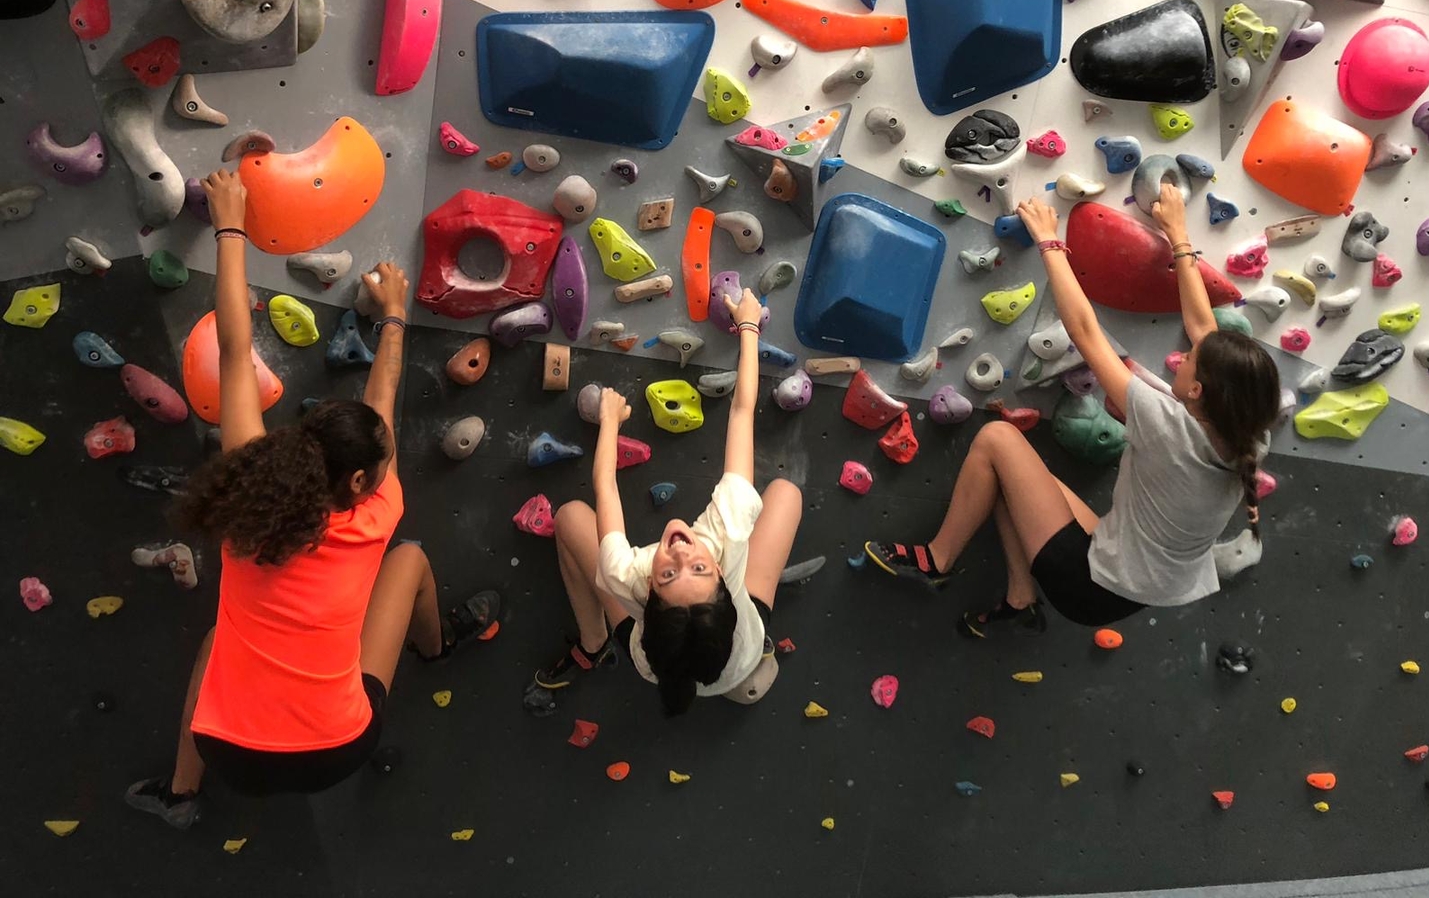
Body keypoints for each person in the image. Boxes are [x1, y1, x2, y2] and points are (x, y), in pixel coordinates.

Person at [126, 168, 499, 829]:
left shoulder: (250, 492)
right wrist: (393, 316)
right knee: (410, 562)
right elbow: (382, 402)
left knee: (217, 640)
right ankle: (437, 648)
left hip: (229, 754)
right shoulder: (378, 512)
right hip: (337, 751)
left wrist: (230, 225)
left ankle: (181, 794)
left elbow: (234, 352)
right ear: (359, 483)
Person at [865, 184, 1280, 635]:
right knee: (1014, 479)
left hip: (1090, 585)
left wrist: (1050, 242)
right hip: (1133, 586)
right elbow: (1204, 329)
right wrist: (1178, 235)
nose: (1184, 356)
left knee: (997, 439)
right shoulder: (1249, 436)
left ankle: (938, 559)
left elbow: (1084, 331)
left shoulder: (1166, 426)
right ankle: (1020, 599)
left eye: (1190, 361)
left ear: (1198, 389)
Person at [525, 287, 804, 716]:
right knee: (787, 493)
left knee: (569, 517)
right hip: (738, 656)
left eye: (670, 573)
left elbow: (605, 486)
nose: (681, 550)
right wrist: (748, 325)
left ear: (647, 593)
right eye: (699, 568)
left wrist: (610, 421)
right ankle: (743, 668)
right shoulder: (727, 534)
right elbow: (742, 412)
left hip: (670, 662)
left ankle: (594, 642)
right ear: (724, 579)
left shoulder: (623, 575)